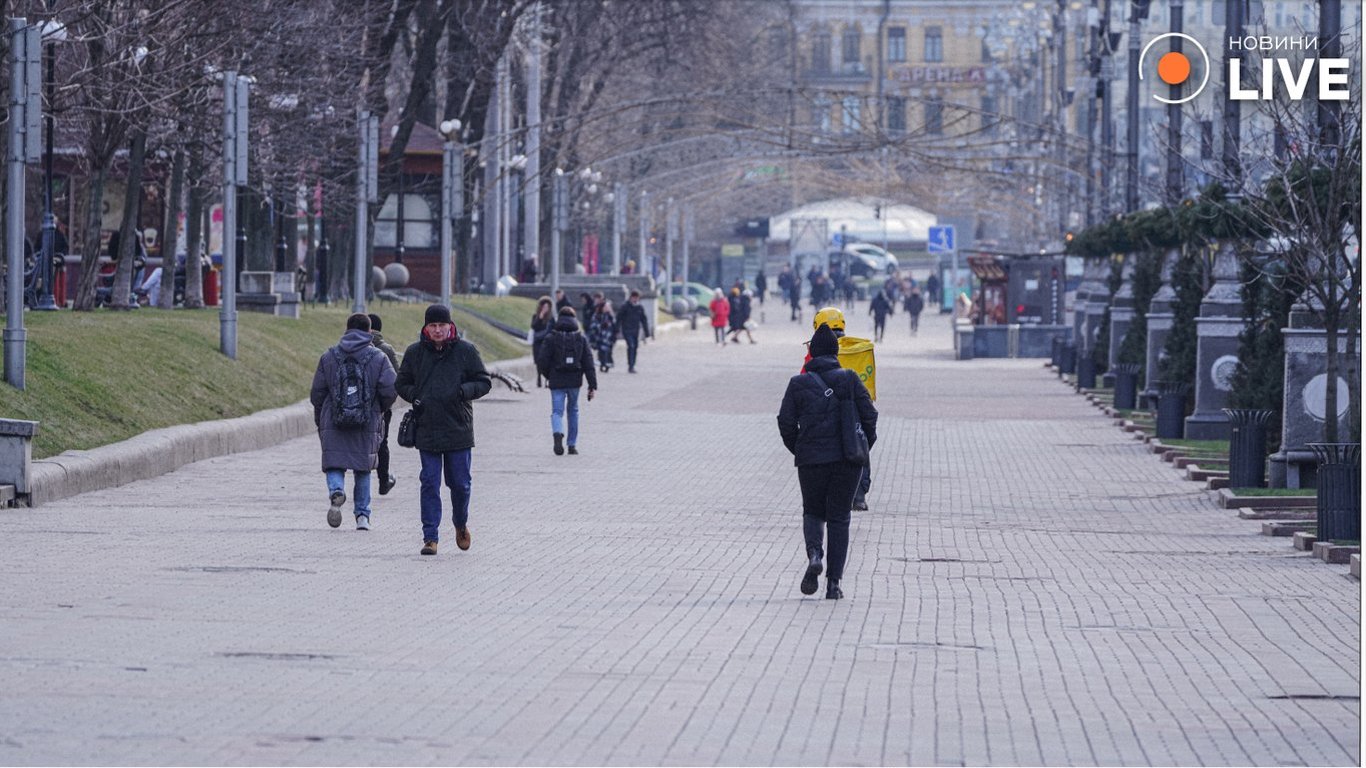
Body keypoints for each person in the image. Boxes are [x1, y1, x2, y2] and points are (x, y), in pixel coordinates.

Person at [778, 324, 878, 601]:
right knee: (839, 518)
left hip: (811, 461)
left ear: (811, 354)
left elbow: (785, 422)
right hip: (847, 461)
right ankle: (833, 585)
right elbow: (870, 416)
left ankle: (814, 554)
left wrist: (800, 448)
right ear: (836, 352)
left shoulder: (797, 383)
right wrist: (862, 446)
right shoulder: (850, 378)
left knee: (812, 512)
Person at [395, 304, 492, 556]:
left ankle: (460, 524)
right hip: (426, 426)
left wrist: (463, 392)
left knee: (460, 484)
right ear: (426, 328)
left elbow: (483, 381)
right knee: (429, 481)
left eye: (441, 325)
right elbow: (401, 382)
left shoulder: (465, 351)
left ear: (450, 326)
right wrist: (415, 395)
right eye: (433, 326)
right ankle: (430, 537)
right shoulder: (415, 352)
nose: (437, 330)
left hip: (458, 428)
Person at [309, 313, 397, 531]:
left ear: (347, 330)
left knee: (334, 462)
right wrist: (379, 408)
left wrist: (321, 416)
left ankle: (336, 491)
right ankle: (362, 517)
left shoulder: (329, 356)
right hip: (366, 420)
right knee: (363, 468)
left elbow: (317, 393)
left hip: (334, 418)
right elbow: (390, 389)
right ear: (369, 332)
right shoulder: (378, 357)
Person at [535, 306, 598, 456]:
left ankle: (558, 433)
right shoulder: (581, 338)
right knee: (573, 411)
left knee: (557, 412)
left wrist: (548, 375)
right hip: (574, 381)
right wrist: (592, 385)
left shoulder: (551, 337)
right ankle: (572, 445)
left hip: (556, 381)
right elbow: (588, 363)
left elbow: (542, 361)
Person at [368, 313, 401, 495]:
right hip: (381, 405)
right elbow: (397, 378)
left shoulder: (353, 346)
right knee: (382, 442)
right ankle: (383, 481)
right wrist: (386, 403)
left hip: (357, 404)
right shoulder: (386, 349)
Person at [616, 289, 651, 373]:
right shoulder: (625, 306)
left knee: (635, 347)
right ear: (631, 297)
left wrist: (647, 333)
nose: (635, 299)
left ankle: (632, 364)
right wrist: (617, 329)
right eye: (634, 297)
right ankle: (630, 365)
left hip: (636, 330)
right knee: (631, 346)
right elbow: (619, 318)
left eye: (637, 298)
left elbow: (644, 320)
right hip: (627, 329)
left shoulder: (639, 307)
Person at [530, 296, 555, 388]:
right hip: (537, 342)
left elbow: (554, 329)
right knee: (538, 361)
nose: (545, 309)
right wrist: (540, 317)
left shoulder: (551, 319)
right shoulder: (535, 316)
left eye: (547, 307)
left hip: (547, 342)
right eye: (544, 307)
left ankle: (547, 379)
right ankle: (539, 377)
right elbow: (534, 327)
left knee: (547, 361)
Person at [589, 298, 617, 372]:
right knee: (602, 350)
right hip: (600, 336)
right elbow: (593, 325)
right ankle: (603, 363)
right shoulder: (597, 315)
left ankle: (606, 363)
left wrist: (614, 333)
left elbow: (614, 324)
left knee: (607, 351)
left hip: (608, 336)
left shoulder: (610, 315)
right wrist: (600, 326)